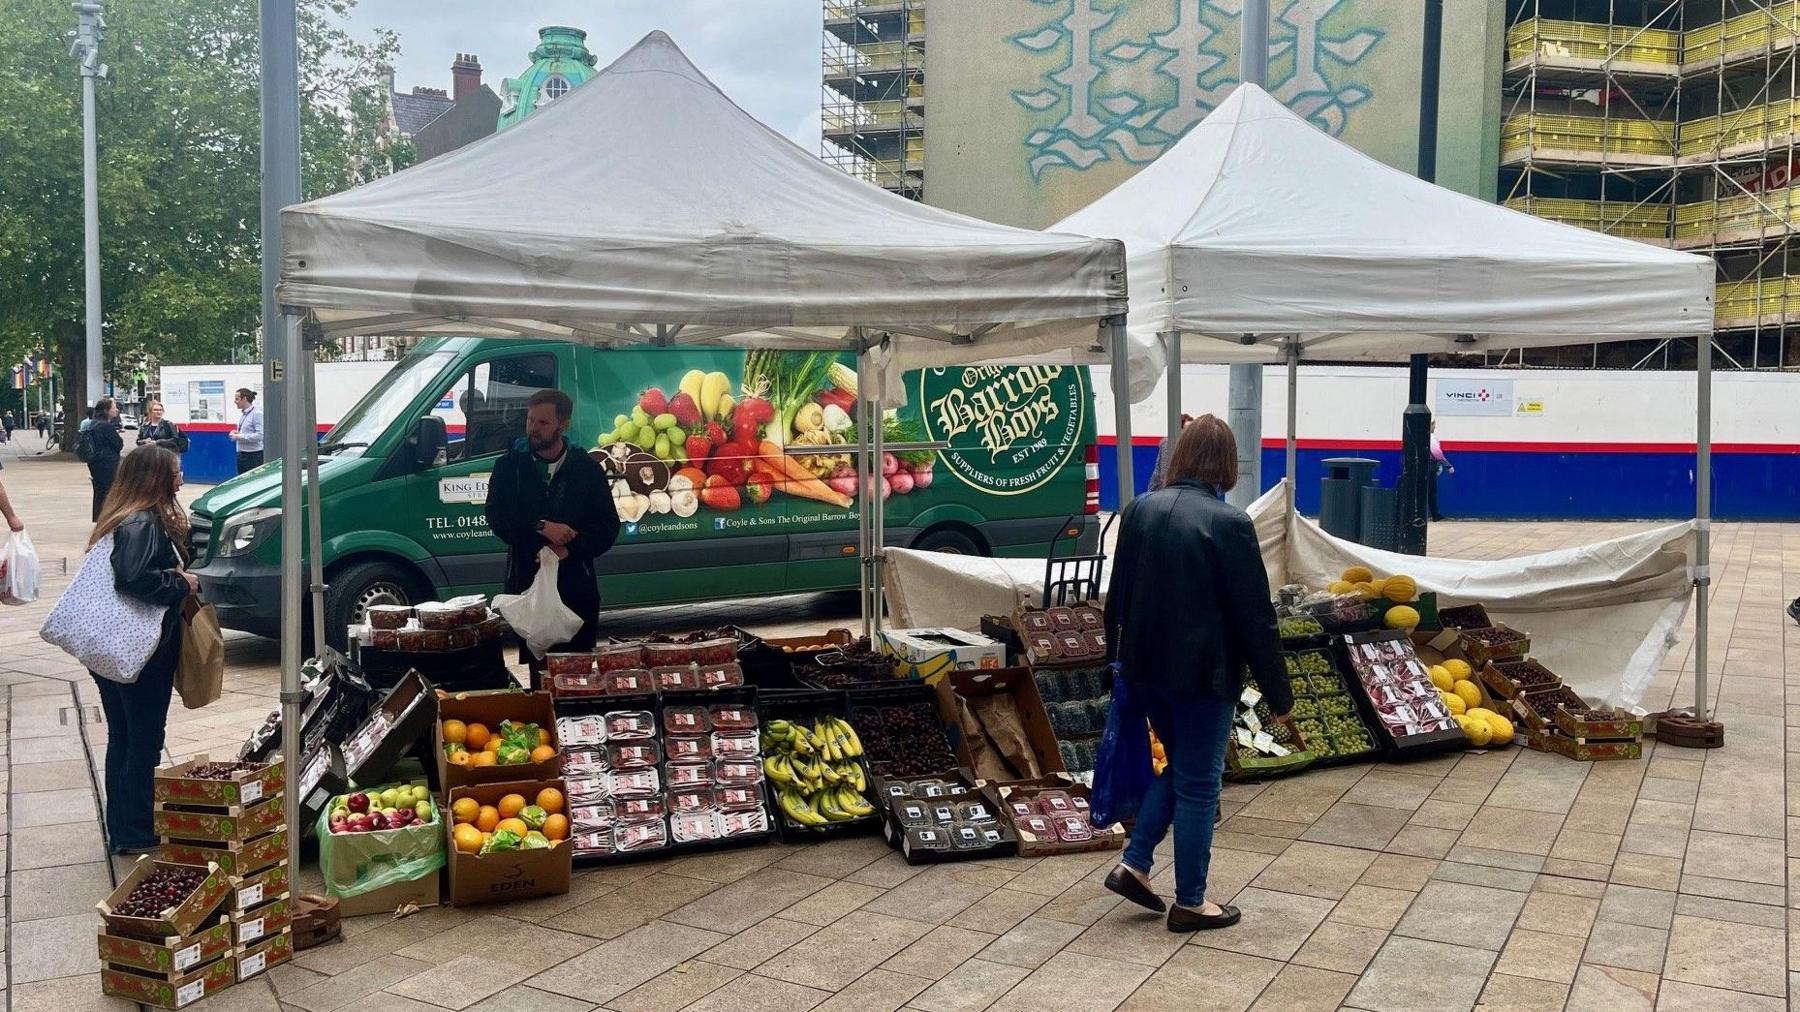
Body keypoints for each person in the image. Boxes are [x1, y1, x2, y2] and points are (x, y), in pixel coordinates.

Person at [1101, 414, 1291, 933]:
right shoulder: (1229, 524)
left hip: (1145, 672)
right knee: (1200, 783)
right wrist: (1279, 693)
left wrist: (1110, 665)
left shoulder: (1139, 510)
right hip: (1204, 678)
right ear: (1228, 465)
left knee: (1181, 766)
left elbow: (1116, 598)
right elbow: (1255, 616)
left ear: (1181, 456)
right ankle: (1191, 901)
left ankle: (1135, 864)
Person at [84, 446, 198, 854]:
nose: (180, 478)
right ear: (156, 478)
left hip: (112, 648)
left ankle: (124, 826)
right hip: (139, 649)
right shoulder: (142, 522)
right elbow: (135, 579)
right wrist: (183, 584)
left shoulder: (119, 517)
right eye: (175, 472)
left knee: (124, 735)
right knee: (143, 738)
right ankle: (134, 828)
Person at [484, 389, 620, 685]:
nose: (533, 428)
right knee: (541, 680)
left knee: (577, 681)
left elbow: (607, 527)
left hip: (577, 593)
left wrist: (568, 550)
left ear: (564, 425)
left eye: (543, 422)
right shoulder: (510, 466)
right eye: (530, 420)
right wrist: (541, 526)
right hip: (529, 590)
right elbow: (498, 516)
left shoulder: (586, 469)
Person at [83, 398, 124, 521]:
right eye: (114, 408)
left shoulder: (91, 424)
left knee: (99, 490)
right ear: (106, 410)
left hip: (94, 462)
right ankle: (108, 517)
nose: (116, 410)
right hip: (108, 464)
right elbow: (118, 444)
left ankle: (99, 517)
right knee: (110, 490)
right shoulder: (106, 426)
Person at [1148, 413, 1195, 492]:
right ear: (1179, 430)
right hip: (1160, 492)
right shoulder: (1168, 444)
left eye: (1193, 430)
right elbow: (1165, 476)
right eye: (1188, 430)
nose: (1191, 434)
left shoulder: (1190, 447)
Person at [229, 388, 263, 473]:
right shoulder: (244, 414)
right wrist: (236, 433)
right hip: (241, 454)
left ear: (244, 399)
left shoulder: (257, 414)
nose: (235, 402)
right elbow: (247, 432)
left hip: (253, 456)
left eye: (237, 399)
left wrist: (238, 436)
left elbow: (260, 435)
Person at [1429, 419, 1453, 522]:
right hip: (1430, 468)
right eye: (1434, 425)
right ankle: (1435, 515)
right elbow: (1436, 452)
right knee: (1431, 492)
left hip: (1418, 467)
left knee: (1419, 492)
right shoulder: (1431, 437)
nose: (1435, 428)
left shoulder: (1417, 435)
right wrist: (1448, 466)